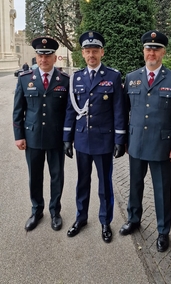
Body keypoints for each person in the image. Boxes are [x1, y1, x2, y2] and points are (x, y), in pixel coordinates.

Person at [119, 30, 171, 252]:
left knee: (161, 190)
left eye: (156, 49)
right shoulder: (131, 78)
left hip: (162, 147)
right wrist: (122, 141)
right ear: (143, 51)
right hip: (136, 144)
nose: (152, 52)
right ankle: (134, 219)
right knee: (135, 186)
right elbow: (123, 112)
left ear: (163, 52)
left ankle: (163, 231)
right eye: (148, 48)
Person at [63, 31, 126, 243]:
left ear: (102, 52)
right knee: (82, 182)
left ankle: (105, 221)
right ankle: (81, 218)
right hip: (81, 140)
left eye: (95, 51)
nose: (92, 55)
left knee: (104, 185)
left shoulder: (113, 77)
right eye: (88, 51)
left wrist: (119, 140)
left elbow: (119, 110)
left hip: (104, 141)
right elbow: (71, 110)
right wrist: (66, 138)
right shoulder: (76, 78)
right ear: (83, 53)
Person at [13, 36, 69, 232]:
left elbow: (69, 112)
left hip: (56, 138)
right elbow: (18, 110)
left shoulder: (65, 80)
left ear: (55, 57)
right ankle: (37, 210)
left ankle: (55, 211)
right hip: (33, 137)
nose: (44, 60)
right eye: (40, 56)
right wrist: (18, 135)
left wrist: (68, 138)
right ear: (36, 57)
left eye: (48, 56)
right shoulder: (25, 79)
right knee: (35, 177)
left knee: (57, 176)